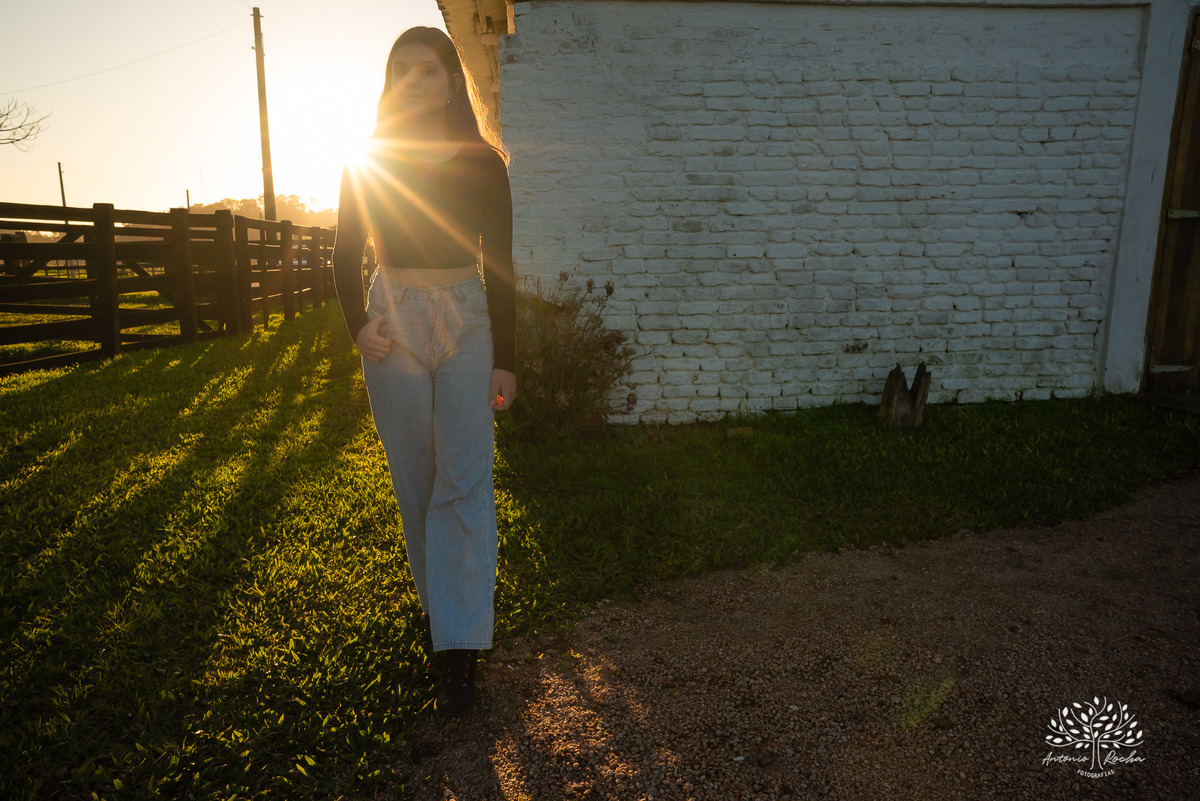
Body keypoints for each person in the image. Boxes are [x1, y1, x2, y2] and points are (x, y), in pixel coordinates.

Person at [331, 26, 515, 716]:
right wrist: (360, 323)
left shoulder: (483, 163)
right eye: (400, 70)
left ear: (449, 82)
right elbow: (345, 252)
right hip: (395, 321)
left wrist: (508, 358)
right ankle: (439, 615)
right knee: (417, 480)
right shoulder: (367, 159)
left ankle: (460, 651)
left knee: (463, 480)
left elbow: (502, 264)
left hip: (467, 321)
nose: (414, 80)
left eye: (428, 70)